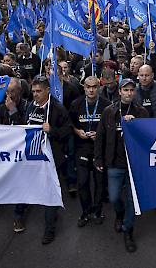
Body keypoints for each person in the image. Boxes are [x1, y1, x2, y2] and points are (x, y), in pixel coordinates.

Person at [10, 76, 71, 245]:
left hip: (50, 158)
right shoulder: (31, 106)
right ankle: (18, 215)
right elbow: (25, 127)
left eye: (39, 91)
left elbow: (67, 132)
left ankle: (49, 229)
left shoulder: (58, 109)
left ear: (47, 90)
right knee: (24, 186)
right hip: (31, 155)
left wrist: (52, 130)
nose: (35, 94)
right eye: (33, 91)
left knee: (49, 193)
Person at [94, 78, 149, 252]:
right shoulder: (108, 112)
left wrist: (135, 125)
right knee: (114, 197)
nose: (129, 93)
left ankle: (128, 230)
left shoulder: (141, 112)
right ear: (119, 91)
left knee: (133, 200)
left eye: (132, 90)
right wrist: (98, 158)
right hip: (114, 163)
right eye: (125, 90)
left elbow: (148, 137)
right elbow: (100, 136)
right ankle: (119, 213)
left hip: (134, 165)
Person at [70, 76, 111, 227]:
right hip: (82, 148)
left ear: (99, 88)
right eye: (88, 87)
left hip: (100, 150)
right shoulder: (76, 104)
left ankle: (98, 211)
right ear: (84, 88)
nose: (91, 90)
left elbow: (111, 128)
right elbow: (71, 124)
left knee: (100, 183)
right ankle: (86, 211)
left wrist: (100, 135)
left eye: (94, 87)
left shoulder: (107, 105)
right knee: (82, 182)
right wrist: (77, 131)